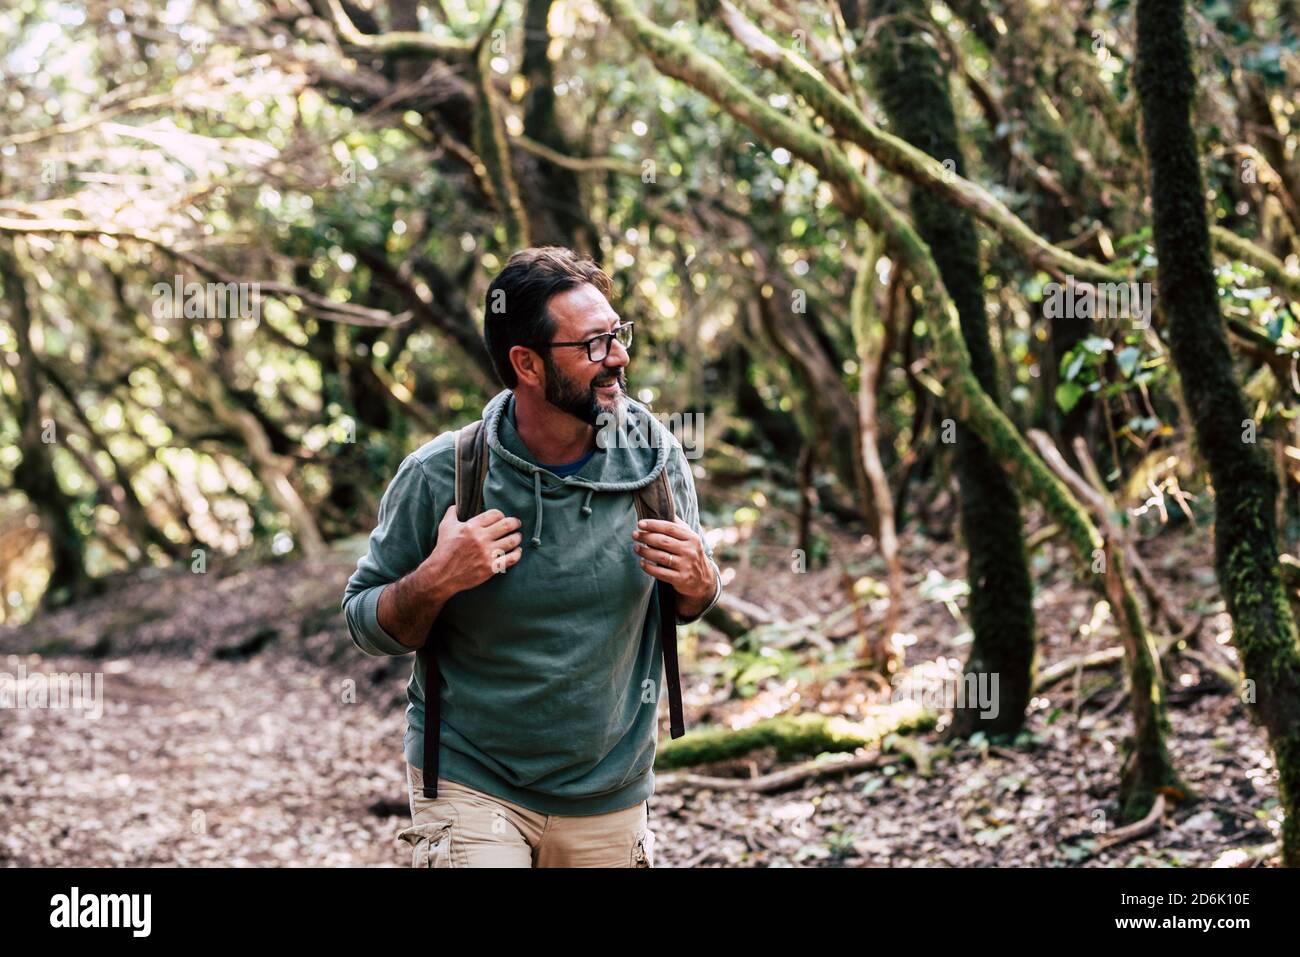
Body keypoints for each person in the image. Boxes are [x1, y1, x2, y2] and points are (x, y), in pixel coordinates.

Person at [342, 246, 722, 867]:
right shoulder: (445, 474)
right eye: (594, 344)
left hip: (611, 787)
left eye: (618, 335)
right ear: (527, 363)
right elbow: (364, 621)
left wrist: (702, 582)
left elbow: (690, 599)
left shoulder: (652, 458)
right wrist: (437, 578)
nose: (619, 357)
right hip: (473, 778)